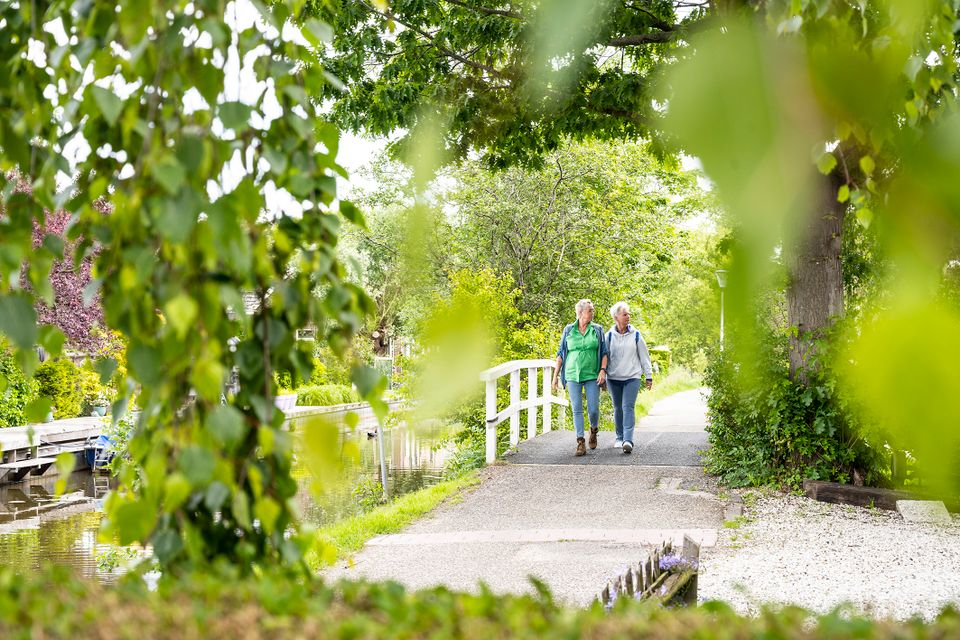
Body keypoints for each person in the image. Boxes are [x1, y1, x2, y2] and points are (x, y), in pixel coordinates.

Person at [552, 299, 608, 456]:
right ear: (581, 312)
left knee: (593, 409)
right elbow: (561, 353)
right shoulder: (569, 329)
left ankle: (594, 430)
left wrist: (603, 370)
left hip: (592, 374)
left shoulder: (597, 330)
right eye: (590, 310)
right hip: (572, 374)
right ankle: (580, 442)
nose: (592, 312)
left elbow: (604, 352)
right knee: (576, 408)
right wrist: (555, 376)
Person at [604, 301, 653, 454]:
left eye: (629, 314)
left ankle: (628, 440)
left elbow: (644, 356)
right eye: (625, 314)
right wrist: (602, 374)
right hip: (613, 378)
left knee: (628, 407)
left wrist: (648, 376)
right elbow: (603, 357)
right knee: (618, 408)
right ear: (616, 317)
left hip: (632, 377)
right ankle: (619, 437)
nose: (628, 316)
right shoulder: (609, 336)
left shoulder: (636, 334)